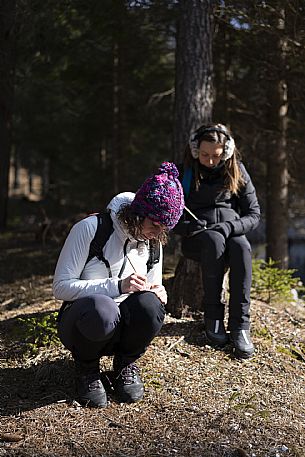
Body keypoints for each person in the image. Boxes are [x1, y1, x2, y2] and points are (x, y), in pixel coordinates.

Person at [53, 162, 184, 407]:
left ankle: (124, 365)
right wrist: (117, 286)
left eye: (165, 228)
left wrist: (158, 292)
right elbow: (60, 287)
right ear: (138, 212)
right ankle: (87, 370)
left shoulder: (153, 241)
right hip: (83, 323)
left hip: (121, 327)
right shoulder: (91, 229)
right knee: (103, 307)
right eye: (154, 224)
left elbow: (150, 287)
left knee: (150, 305)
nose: (157, 233)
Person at [174, 124, 260, 359]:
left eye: (216, 155)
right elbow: (169, 217)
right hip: (198, 238)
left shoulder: (237, 171)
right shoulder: (184, 173)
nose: (210, 161)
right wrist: (190, 226)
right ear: (194, 150)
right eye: (204, 155)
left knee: (241, 246)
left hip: (230, 234)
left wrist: (229, 226)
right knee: (213, 240)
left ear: (227, 151)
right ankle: (212, 317)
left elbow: (254, 215)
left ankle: (240, 325)